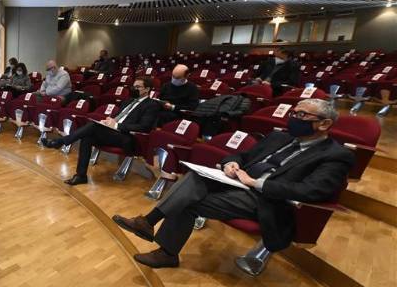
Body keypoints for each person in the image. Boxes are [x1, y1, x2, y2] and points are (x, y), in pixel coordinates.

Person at [112, 99, 354, 268]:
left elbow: (313, 191)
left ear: (324, 124)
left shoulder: (335, 155)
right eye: (293, 113)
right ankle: (151, 228)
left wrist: (257, 183)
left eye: (302, 116)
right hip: (237, 184)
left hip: (266, 201)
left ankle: (160, 242)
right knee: (196, 177)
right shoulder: (279, 137)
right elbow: (242, 156)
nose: (294, 119)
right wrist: (231, 164)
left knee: (189, 201)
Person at [43, 77, 161, 185]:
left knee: (93, 126)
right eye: (133, 86)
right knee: (87, 137)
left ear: (147, 89)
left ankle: (61, 141)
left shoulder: (151, 105)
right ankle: (81, 175)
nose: (134, 89)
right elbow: (117, 116)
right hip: (113, 132)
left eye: (138, 87)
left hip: (128, 137)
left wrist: (118, 125)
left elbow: (144, 127)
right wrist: (110, 120)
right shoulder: (129, 101)